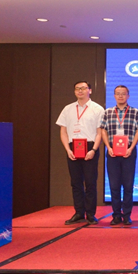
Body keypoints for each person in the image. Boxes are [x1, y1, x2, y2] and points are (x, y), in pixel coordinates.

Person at [56, 81, 104, 225]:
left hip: (90, 147)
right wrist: (67, 149)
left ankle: (90, 214)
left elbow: (99, 133)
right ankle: (78, 212)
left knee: (90, 182)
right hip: (73, 147)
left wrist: (93, 149)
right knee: (75, 183)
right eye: (77, 89)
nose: (80, 91)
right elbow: (63, 131)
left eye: (83, 88)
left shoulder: (97, 109)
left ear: (90, 90)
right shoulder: (68, 109)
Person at [100, 85, 138, 226]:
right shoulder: (108, 112)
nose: (121, 96)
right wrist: (108, 147)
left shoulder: (135, 112)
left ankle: (127, 215)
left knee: (128, 186)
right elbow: (103, 130)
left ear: (128, 96)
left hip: (129, 151)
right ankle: (116, 215)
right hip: (112, 152)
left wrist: (132, 147)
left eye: (123, 93)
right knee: (114, 185)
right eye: (118, 93)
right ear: (114, 96)